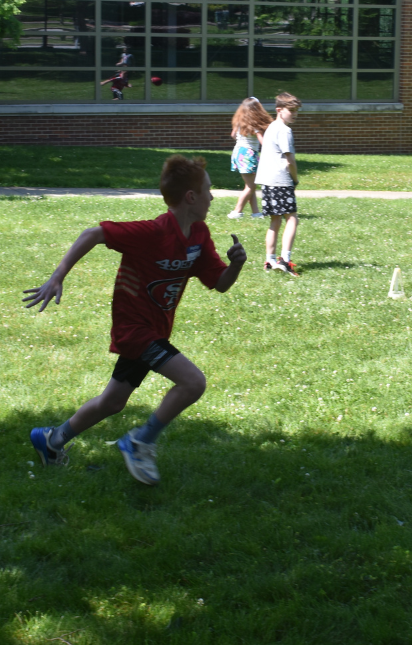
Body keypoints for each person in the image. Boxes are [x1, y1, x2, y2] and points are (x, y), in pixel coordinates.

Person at [22, 155, 247, 485]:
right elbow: (93, 234)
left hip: (154, 331)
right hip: (134, 331)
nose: (212, 197)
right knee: (192, 382)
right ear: (191, 197)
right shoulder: (152, 232)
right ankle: (140, 440)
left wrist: (236, 265)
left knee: (112, 402)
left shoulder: (198, 236)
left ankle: (52, 440)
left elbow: (220, 284)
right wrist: (57, 276)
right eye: (208, 190)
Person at [255, 91, 301, 276]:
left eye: (297, 111)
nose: (295, 114)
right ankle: (285, 260)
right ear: (279, 110)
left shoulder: (272, 127)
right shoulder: (284, 130)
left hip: (266, 180)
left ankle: (270, 260)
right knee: (292, 218)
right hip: (280, 180)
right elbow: (289, 159)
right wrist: (295, 178)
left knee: (275, 220)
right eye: (292, 110)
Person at [227, 96, 273, 220]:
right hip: (248, 154)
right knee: (251, 186)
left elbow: (233, 135)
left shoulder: (239, 121)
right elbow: (262, 141)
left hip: (238, 152)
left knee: (250, 185)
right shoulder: (254, 124)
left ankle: (256, 213)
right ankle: (237, 211)